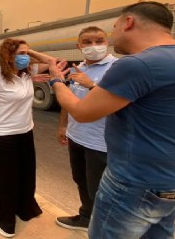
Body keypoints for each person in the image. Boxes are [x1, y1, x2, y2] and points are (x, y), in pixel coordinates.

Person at [48, 1, 175, 238]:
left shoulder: (137, 65)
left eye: (113, 29)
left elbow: (83, 112)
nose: (113, 37)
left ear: (129, 22)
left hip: (135, 182)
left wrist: (55, 81)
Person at [0, 39, 56, 237]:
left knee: (26, 174)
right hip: (3, 135)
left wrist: (30, 52)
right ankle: (1, 215)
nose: (25, 57)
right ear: (8, 56)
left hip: (25, 132)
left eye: (26, 53)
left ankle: (24, 208)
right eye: (20, 54)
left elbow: (53, 61)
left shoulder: (27, 74)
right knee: (5, 179)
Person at [55, 26, 118, 232]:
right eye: (87, 42)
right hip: (77, 136)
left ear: (107, 42)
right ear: (79, 46)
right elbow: (69, 100)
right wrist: (63, 125)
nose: (94, 46)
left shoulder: (117, 68)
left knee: (100, 189)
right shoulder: (77, 68)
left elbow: (119, 103)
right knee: (80, 179)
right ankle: (85, 217)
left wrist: (91, 85)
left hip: (101, 142)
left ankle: (104, 228)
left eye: (99, 41)